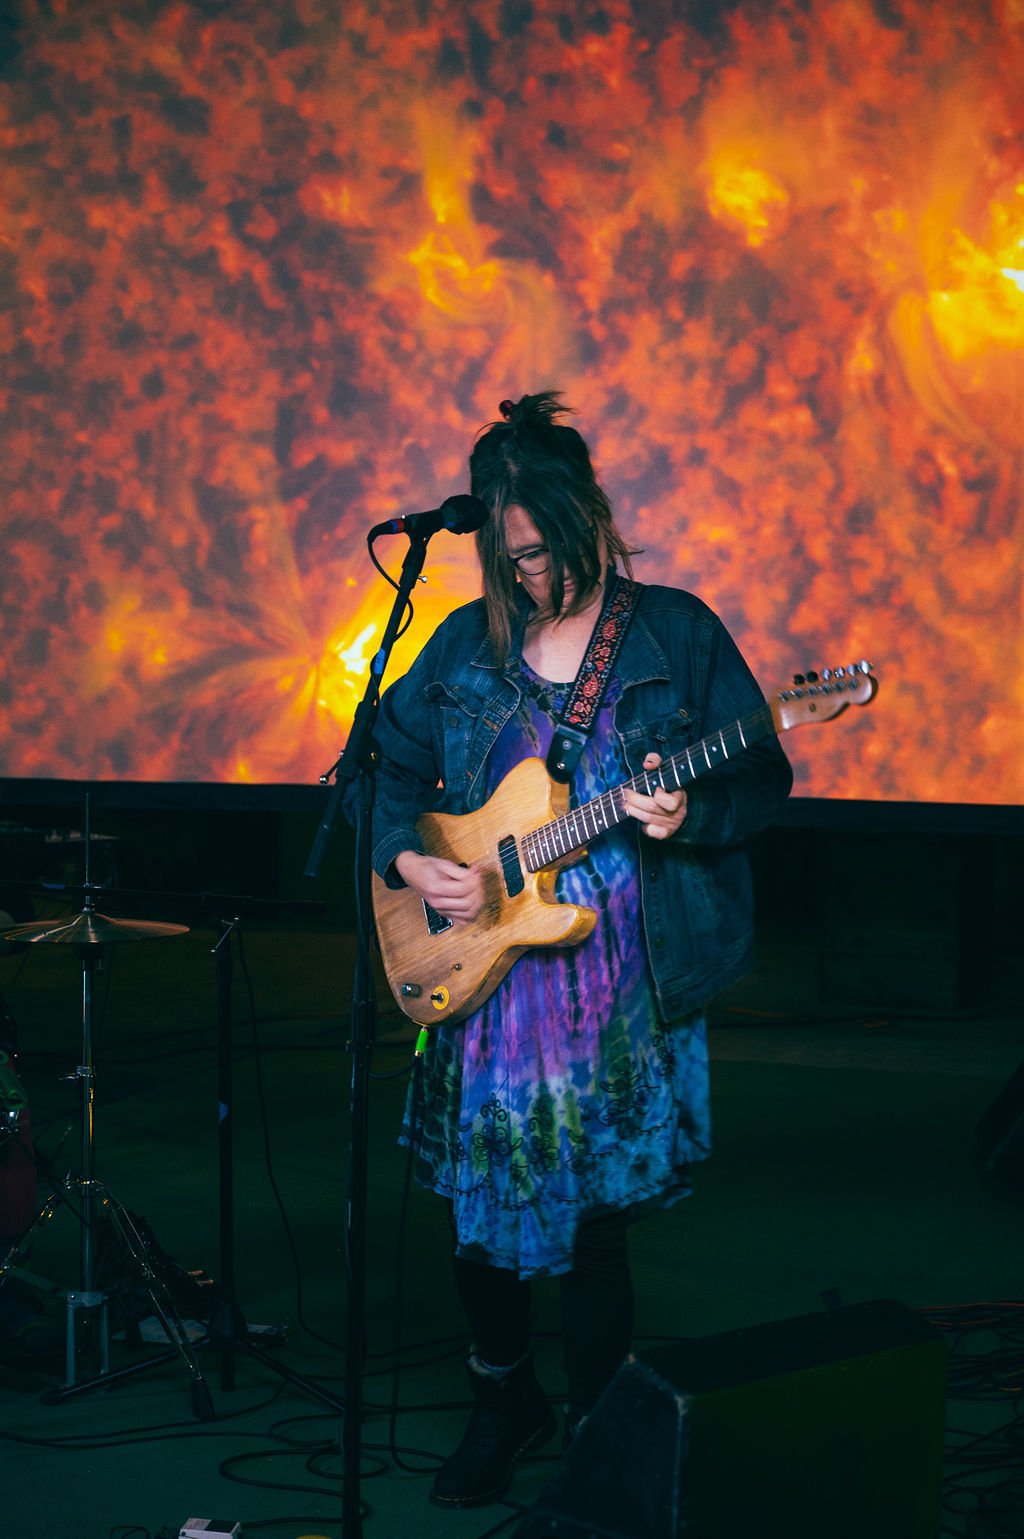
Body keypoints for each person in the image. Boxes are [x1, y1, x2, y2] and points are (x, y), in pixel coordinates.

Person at [365, 392, 793, 1509]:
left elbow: (762, 778)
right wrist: (409, 861)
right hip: (485, 970)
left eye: (551, 547)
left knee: (595, 1226)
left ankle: (599, 1437)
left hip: (617, 976)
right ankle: (503, 1400)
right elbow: (383, 767)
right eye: (513, 556)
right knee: (478, 1219)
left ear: (588, 517)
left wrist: (687, 815)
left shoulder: (674, 633)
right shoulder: (464, 644)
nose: (536, 573)